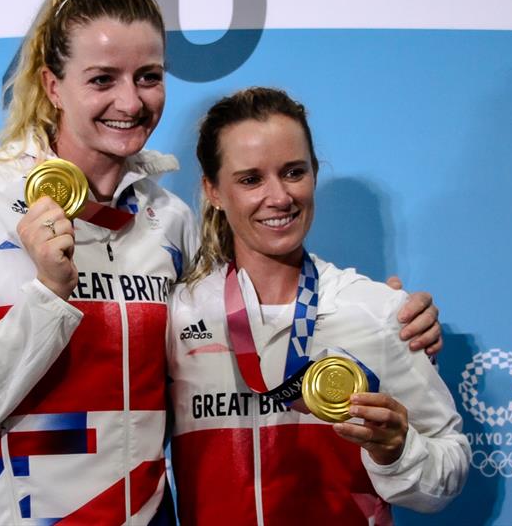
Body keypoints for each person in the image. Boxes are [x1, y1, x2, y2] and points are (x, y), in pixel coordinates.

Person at [0, 0, 443, 525]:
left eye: (149, 76)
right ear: (53, 84)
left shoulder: (170, 221)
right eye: (102, 79)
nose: (130, 101)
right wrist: (45, 300)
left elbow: (256, 309)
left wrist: (389, 322)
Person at [166, 87, 470, 526]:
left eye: (293, 172)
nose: (279, 197)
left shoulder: (377, 310)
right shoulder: (179, 316)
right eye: (251, 179)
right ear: (213, 190)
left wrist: (398, 450)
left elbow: (451, 463)